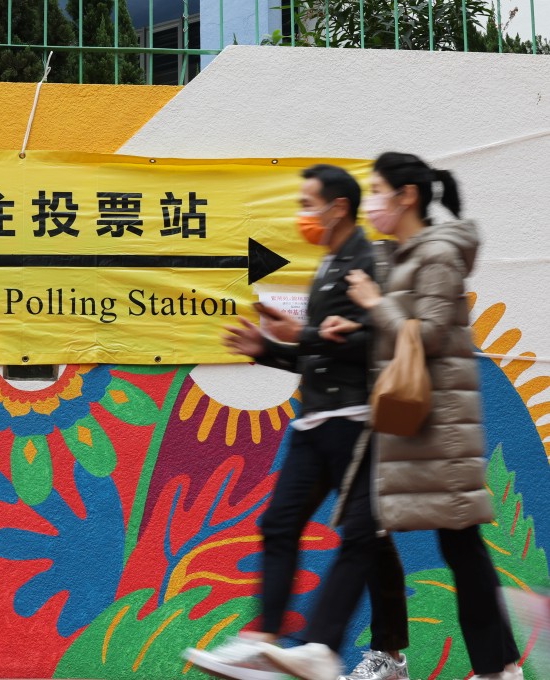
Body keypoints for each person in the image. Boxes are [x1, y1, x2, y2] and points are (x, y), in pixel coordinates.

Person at [262, 153, 523, 680]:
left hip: (441, 427)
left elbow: (424, 334)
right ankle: (417, 657)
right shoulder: (396, 256)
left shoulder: (440, 256)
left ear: (406, 196)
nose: (372, 201)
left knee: (456, 543)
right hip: (407, 425)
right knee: (401, 536)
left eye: (378, 190)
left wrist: (374, 303)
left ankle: (493, 668)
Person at [183, 165, 409, 680]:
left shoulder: (366, 262)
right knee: (283, 524)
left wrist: (302, 334)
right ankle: (265, 637)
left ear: (338, 208)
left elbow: (373, 341)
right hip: (315, 422)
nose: (301, 214)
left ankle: (326, 649)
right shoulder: (329, 264)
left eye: (309, 203)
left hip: (357, 421)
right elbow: (322, 353)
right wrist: (269, 349)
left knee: (360, 535)